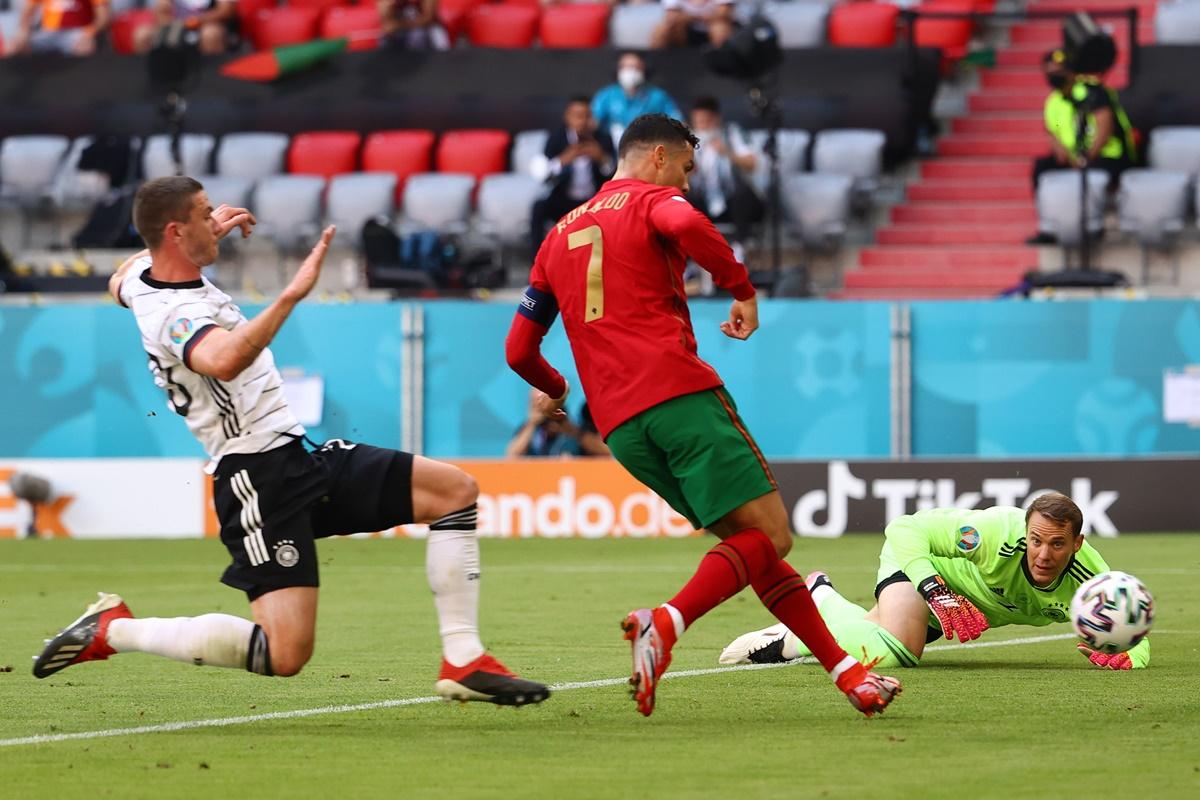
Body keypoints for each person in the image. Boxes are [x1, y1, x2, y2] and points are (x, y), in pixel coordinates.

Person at [33, 176, 549, 708]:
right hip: (257, 480)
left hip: (297, 457)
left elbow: (120, 276)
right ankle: (115, 631)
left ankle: (463, 659)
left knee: (455, 492)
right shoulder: (174, 315)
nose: (217, 221)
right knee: (285, 655)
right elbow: (223, 358)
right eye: (204, 215)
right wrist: (291, 296)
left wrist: (198, 236)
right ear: (175, 232)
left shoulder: (141, 275)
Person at [504, 114, 901, 718]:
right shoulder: (653, 201)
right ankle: (664, 622)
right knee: (771, 537)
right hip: (678, 397)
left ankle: (847, 674)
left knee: (753, 548)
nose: (687, 185)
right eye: (687, 169)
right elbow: (684, 220)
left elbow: (518, 350)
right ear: (659, 156)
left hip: (622, 430)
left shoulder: (556, 235)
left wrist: (556, 385)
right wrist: (742, 287)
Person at [720, 492, 1151, 671]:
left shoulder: (1092, 578)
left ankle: (790, 638)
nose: (1042, 554)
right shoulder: (995, 532)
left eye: (1057, 544)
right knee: (899, 653)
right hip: (924, 573)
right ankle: (822, 594)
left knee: (869, 639)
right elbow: (905, 530)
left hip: (961, 608)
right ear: (1025, 530)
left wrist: (1135, 656)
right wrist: (933, 588)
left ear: (1077, 543)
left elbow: (1132, 617)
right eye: (1036, 540)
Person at [1027, 50, 1136, 245]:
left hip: (1107, 156)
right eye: (1049, 72)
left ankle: (1092, 227)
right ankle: (1049, 226)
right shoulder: (1054, 101)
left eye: (1058, 71)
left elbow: (1104, 127)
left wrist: (1087, 157)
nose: (1054, 76)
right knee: (1042, 168)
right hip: (1074, 157)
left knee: (1091, 176)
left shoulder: (1093, 91)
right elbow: (1054, 132)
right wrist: (1065, 154)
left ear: (1070, 71)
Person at [529, 96, 616, 261]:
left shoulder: (603, 138)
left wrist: (601, 158)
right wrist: (563, 160)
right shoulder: (557, 138)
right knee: (538, 208)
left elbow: (614, 172)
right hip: (564, 199)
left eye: (586, 116)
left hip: (594, 201)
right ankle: (537, 263)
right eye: (577, 116)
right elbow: (543, 173)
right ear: (567, 117)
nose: (582, 121)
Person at [687, 96, 763, 251]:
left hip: (732, 202)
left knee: (742, 195)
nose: (702, 126)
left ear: (716, 119)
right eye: (698, 122)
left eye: (706, 121)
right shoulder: (687, 140)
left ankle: (740, 248)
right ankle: (689, 257)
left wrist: (727, 153)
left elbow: (752, 164)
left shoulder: (732, 133)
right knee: (681, 200)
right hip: (704, 202)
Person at [591, 52, 683, 147]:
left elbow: (678, 123)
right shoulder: (606, 95)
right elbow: (593, 121)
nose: (630, 71)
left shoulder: (658, 96)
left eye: (636, 67)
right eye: (625, 67)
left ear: (645, 70)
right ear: (617, 70)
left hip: (649, 149)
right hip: (612, 151)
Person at [507, 390, 610, 458]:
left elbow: (607, 453)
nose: (546, 414)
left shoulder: (574, 429)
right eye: (537, 405)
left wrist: (570, 429)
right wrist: (532, 423)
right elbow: (512, 455)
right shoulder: (528, 430)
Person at [132, 0, 238, 56]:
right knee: (143, 35)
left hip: (207, 24)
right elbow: (161, 11)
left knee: (210, 35)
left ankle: (211, 81)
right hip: (176, 26)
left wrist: (197, 21)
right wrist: (172, 27)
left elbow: (226, 11)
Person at [5, 0, 110, 56]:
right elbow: (27, 13)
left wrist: (88, 33)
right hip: (47, 33)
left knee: (85, 48)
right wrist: (23, 31)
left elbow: (104, 18)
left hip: (77, 32)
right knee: (14, 47)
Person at [651, 0, 736, 49]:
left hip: (713, 30)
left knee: (720, 29)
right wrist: (702, 17)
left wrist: (690, 17)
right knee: (661, 30)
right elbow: (672, 17)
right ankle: (658, 67)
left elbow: (724, 13)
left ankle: (723, 67)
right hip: (686, 32)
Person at [378, 0, 450, 51]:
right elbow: (387, 22)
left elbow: (428, 19)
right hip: (401, 31)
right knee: (386, 37)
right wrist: (391, 5)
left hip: (428, 31)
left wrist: (399, 25)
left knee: (417, 35)